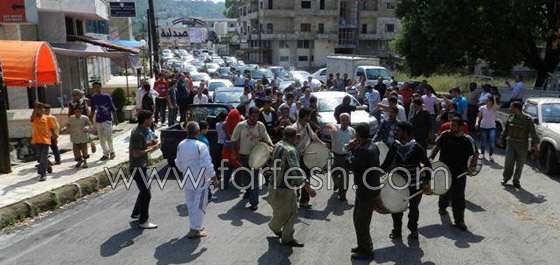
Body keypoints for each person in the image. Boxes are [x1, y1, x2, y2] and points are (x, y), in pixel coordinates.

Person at [268, 126, 317, 247]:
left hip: (273, 184)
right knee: (292, 213)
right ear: (295, 137)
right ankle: (286, 237)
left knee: (281, 211)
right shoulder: (290, 150)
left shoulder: (278, 144)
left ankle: (278, 229)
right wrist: (308, 187)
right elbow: (296, 170)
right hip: (285, 188)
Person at [381, 121, 431, 239]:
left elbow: (427, 165)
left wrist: (426, 182)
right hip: (398, 183)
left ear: (406, 132)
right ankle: (397, 230)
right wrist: (378, 174)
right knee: (396, 207)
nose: (395, 132)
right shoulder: (395, 145)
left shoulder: (417, 147)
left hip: (415, 184)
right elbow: (387, 162)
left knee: (413, 209)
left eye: (398, 131)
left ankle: (413, 229)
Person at [430, 117, 478, 231]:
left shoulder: (467, 139)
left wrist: (471, 167)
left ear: (461, 127)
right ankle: (442, 207)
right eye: (450, 125)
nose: (451, 127)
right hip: (444, 170)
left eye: (454, 126)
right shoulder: (445, 134)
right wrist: (429, 159)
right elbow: (436, 147)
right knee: (444, 191)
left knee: (459, 197)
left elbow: (476, 153)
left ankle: (459, 220)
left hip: (459, 173)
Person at [175, 121, 219, 238]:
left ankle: (194, 226)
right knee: (199, 205)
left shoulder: (181, 145)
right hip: (201, 181)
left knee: (191, 204)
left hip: (188, 179)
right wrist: (214, 178)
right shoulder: (201, 146)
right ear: (198, 132)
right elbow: (207, 164)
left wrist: (185, 170)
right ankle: (195, 229)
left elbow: (178, 162)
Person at [347, 123, 382, 260]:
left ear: (358, 135)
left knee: (361, 221)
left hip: (366, 190)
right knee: (358, 219)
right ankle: (362, 245)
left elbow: (351, 164)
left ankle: (367, 251)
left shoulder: (363, 150)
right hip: (367, 188)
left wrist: (350, 150)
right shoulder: (372, 146)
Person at [231, 107, 273, 211]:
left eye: (257, 116)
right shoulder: (241, 125)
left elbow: (266, 137)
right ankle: (248, 191)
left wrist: (271, 145)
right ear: (249, 115)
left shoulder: (260, 125)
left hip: (257, 156)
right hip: (244, 155)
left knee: (253, 178)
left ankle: (254, 202)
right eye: (253, 116)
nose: (255, 118)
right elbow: (234, 139)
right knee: (246, 177)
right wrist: (233, 153)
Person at [129, 110, 159, 229]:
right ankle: (143, 220)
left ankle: (136, 212)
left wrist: (149, 143)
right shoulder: (138, 133)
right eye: (151, 118)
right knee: (146, 194)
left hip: (141, 166)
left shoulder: (141, 131)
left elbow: (141, 144)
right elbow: (136, 153)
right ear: (146, 120)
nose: (152, 121)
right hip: (137, 167)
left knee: (145, 189)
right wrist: (151, 149)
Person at [498, 101, 538, 189]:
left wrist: (534, 145)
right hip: (511, 143)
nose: (509, 109)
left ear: (516, 109)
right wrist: (501, 139)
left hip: (522, 144)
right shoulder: (510, 117)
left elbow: (533, 133)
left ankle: (516, 181)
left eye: (511, 107)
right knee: (508, 161)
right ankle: (506, 178)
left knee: (520, 164)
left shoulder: (528, 120)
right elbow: (506, 130)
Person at [289, 107, 322, 209]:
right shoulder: (293, 128)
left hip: (306, 157)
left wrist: (322, 144)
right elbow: (289, 144)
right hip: (296, 158)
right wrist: (298, 152)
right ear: (305, 116)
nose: (310, 117)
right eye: (309, 115)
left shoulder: (307, 126)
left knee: (306, 179)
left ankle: (304, 201)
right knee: (296, 179)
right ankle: (294, 198)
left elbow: (313, 137)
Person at [325, 113, 355, 201]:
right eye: (343, 120)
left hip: (346, 156)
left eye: (346, 120)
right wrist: (331, 127)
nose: (345, 122)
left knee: (344, 176)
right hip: (336, 156)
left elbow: (354, 142)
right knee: (334, 173)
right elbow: (326, 125)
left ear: (349, 121)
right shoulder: (336, 128)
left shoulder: (352, 131)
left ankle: (343, 194)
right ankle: (337, 184)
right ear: (340, 120)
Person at [90, 82, 118, 160]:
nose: (97, 89)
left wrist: (115, 118)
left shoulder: (106, 96)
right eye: (95, 87)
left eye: (98, 87)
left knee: (109, 137)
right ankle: (105, 154)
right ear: (93, 89)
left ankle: (112, 152)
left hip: (107, 119)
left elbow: (113, 108)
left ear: (100, 87)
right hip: (98, 120)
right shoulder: (93, 98)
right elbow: (92, 110)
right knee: (101, 138)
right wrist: (90, 121)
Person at [31, 102, 56, 181]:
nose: (41, 110)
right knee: (40, 157)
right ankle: (47, 165)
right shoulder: (34, 118)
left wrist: (55, 136)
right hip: (37, 140)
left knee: (43, 157)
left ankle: (42, 174)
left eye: (42, 108)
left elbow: (51, 128)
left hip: (46, 140)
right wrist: (35, 107)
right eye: (39, 108)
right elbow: (32, 117)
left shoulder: (47, 118)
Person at [221, 109, 243, 189]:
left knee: (227, 168)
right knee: (238, 167)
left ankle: (225, 184)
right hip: (236, 149)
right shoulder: (240, 124)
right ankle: (238, 184)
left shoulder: (225, 124)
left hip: (227, 149)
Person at [476, 95, 498, 161]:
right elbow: (478, 116)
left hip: (492, 127)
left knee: (492, 142)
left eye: (487, 100)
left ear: (491, 102)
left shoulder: (494, 108)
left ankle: (490, 155)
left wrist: (494, 99)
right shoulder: (482, 108)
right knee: (483, 142)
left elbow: (496, 106)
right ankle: (482, 154)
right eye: (486, 100)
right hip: (483, 127)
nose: (486, 101)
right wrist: (477, 122)